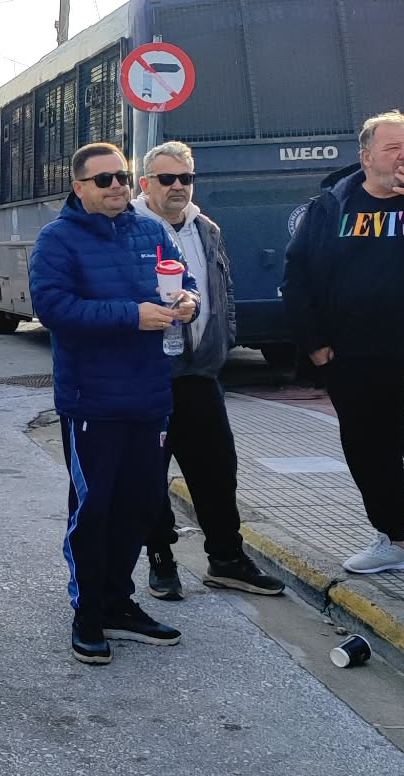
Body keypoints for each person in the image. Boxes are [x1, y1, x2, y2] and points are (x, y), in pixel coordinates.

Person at [30, 142, 196, 665]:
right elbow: (53, 306)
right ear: (78, 187)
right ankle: (89, 612)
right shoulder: (58, 240)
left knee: (140, 504)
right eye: (103, 180)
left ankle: (119, 603)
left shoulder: (150, 231)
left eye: (122, 176)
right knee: (94, 506)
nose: (117, 186)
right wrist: (131, 315)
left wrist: (186, 300)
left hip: (149, 395)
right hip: (92, 400)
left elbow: (179, 280)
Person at [130, 141, 285, 600]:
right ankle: (161, 558)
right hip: (151, 373)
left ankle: (227, 559)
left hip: (200, 371)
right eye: (166, 179)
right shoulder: (132, 230)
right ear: (146, 184)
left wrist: (224, 342)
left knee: (217, 470)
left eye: (185, 178)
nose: (177, 187)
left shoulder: (206, 228)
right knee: (149, 475)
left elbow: (224, 291)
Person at [283, 111, 404, 574]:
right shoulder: (331, 207)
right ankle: (392, 538)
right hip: (352, 357)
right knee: (369, 449)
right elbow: (298, 275)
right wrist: (315, 343)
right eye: (394, 149)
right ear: (366, 157)